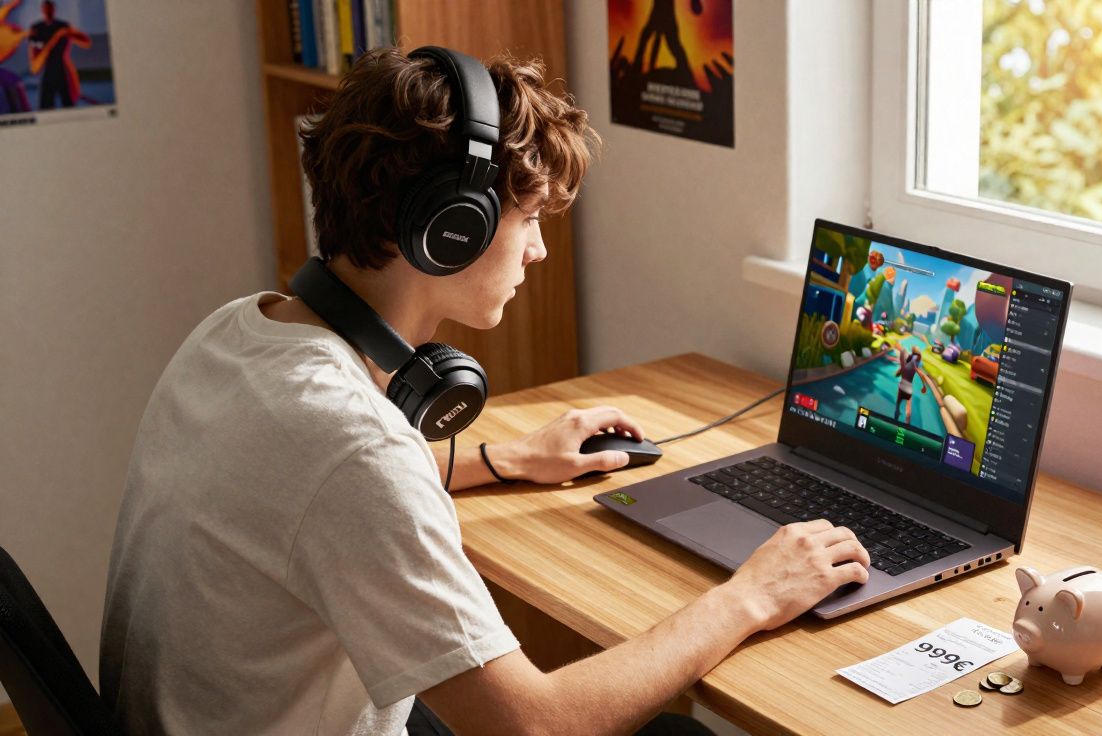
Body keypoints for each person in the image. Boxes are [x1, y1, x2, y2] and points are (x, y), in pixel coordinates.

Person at [100, 47, 869, 735]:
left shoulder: (237, 332)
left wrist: (505, 459)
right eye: (528, 216)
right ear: (450, 228)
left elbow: (299, 494)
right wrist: (752, 596)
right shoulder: (353, 449)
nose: (537, 250)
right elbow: (532, 726)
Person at [26, 0, 89, 110]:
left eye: (50, 8)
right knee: (45, 107)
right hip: (47, 70)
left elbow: (85, 42)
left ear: (54, 10)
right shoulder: (37, 27)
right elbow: (33, 47)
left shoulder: (62, 26)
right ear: (42, 10)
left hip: (62, 70)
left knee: (68, 104)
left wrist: (71, 33)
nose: (48, 11)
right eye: (46, 8)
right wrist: (34, 64)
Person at [893, 343, 926, 424]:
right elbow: (921, 373)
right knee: (908, 406)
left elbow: (898, 372)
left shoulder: (907, 362)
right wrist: (924, 385)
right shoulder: (918, 362)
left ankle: (895, 419)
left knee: (898, 403)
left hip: (902, 386)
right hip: (908, 387)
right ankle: (907, 422)